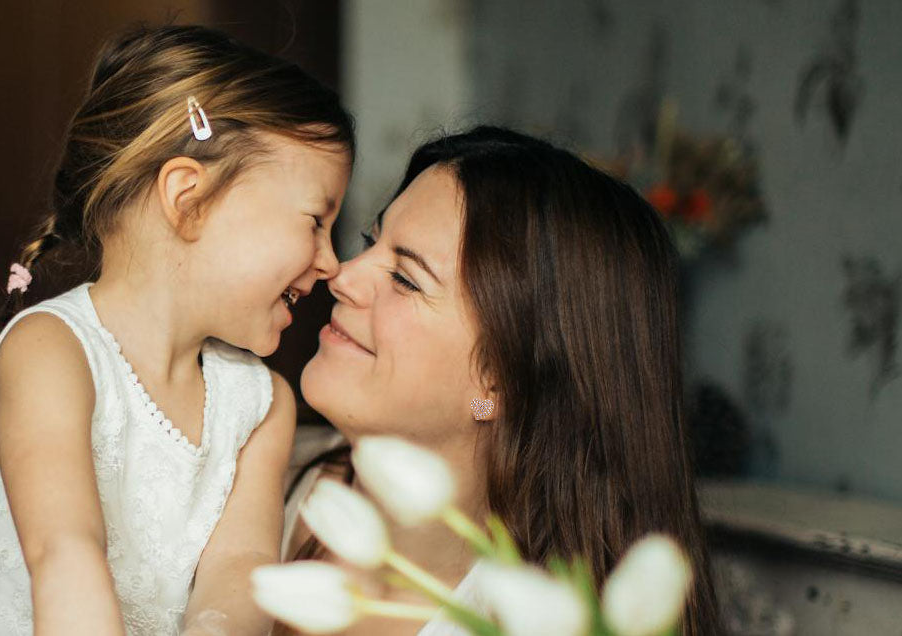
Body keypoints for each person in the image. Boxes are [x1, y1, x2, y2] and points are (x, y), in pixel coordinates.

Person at [0, 24, 353, 636]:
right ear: (189, 198)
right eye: (315, 222)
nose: (332, 263)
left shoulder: (259, 407)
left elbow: (238, 574)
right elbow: (66, 556)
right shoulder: (50, 353)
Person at [284, 127, 721, 635]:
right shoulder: (254, 467)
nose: (342, 275)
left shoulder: (533, 622)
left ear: (500, 381)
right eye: (369, 241)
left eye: (406, 278)